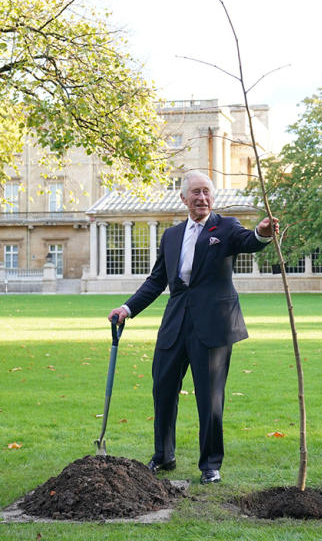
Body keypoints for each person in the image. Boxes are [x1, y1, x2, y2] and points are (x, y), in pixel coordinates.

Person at [108, 170, 277, 485]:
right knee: (163, 388)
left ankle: (210, 464)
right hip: (175, 323)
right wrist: (127, 308)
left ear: (213, 197)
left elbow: (248, 241)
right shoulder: (171, 236)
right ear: (183, 198)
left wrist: (262, 233)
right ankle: (163, 456)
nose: (202, 198)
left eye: (207, 192)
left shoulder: (225, 227)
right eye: (196, 193)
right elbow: (157, 280)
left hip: (213, 325)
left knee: (210, 397)